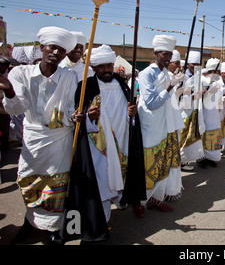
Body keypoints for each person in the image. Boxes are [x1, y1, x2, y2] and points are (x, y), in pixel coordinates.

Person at [1, 26, 79, 244]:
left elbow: (71, 109)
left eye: (61, 50)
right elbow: (17, 108)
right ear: (42, 48)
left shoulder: (69, 77)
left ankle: (54, 228)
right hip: (33, 139)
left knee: (56, 188)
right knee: (29, 182)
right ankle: (31, 222)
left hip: (59, 140)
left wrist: (76, 117)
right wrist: (8, 91)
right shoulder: (20, 73)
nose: (56, 53)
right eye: (52, 47)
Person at [61, 45, 147, 242]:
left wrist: (131, 115)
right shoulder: (86, 86)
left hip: (123, 140)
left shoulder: (122, 83)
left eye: (109, 65)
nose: (107, 70)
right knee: (102, 184)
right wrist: (88, 117)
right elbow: (78, 116)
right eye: (102, 66)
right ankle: (100, 225)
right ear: (95, 67)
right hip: (98, 146)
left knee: (120, 178)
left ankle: (121, 201)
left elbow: (130, 112)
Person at [138, 35, 185, 212]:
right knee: (148, 163)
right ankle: (140, 201)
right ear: (156, 53)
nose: (168, 58)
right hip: (150, 125)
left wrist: (177, 88)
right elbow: (151, 103)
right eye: (165, 54)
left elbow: (168, 100)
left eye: (170, 55)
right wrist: (170, 87)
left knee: (161, 162)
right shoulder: (146, 74)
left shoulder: (166, 73)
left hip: (165, 124)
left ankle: (156, 199)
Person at [179, 51, 205, 168]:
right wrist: (195, 96)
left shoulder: (199, 77)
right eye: (192, 64)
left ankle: (193, 157)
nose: (195, 67)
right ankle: (182, 161)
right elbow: (179, 97)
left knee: (194, 136)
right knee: (183, 136)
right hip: (184, 112)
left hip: (196, 110)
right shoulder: (181, 77)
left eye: (197, 64)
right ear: (188, 63)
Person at [197, 58, 222, 168]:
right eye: (218, 71)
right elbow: (199, 99)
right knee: (203, 136)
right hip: (204, 114)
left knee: (212, 136)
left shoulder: (216, 83)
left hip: (214, 115)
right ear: (213, 71)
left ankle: (211, 158)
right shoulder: (202, 81)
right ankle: (201, 158)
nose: (220, 73)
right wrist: (209, 92)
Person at [0, 57, 11, 151]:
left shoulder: (9, 77)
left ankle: (5, 147)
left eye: (4, 66)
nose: (2, 68)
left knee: (4, 131)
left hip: (4, 111)